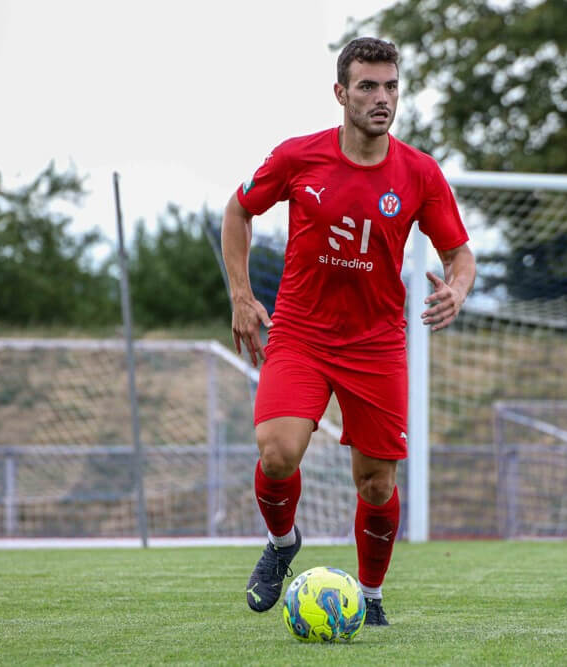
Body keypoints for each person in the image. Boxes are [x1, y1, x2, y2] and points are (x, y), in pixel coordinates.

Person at [221, 37, 476, 626]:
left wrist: (458, 289)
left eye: (391, 86)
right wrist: (241, 295)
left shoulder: (419, 172)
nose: (382, 98)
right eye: (367, 86)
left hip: (376, 344)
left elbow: (459, 254)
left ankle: (372, 595)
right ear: (341, 93)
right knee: (277, 452)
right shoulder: (298, 157)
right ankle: (282, 543)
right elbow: (238, 211)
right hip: (301, 334)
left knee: (376, 483)